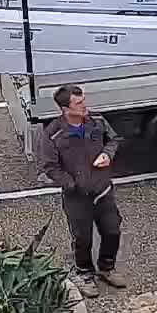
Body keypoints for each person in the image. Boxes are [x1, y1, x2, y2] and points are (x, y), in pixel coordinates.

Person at [36, 84, 126, 297]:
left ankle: (106, 267)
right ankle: (84, 273)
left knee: (112, 230)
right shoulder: (53, 134)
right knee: (83, 238)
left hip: (103, 189)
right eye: (79, 102)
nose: (85, 105)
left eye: (83, 99)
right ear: (66, 109)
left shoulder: (98, 122)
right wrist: (70, 183)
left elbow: (113, 140)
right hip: (77, 196)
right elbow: (49, 166)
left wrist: (107, 154)